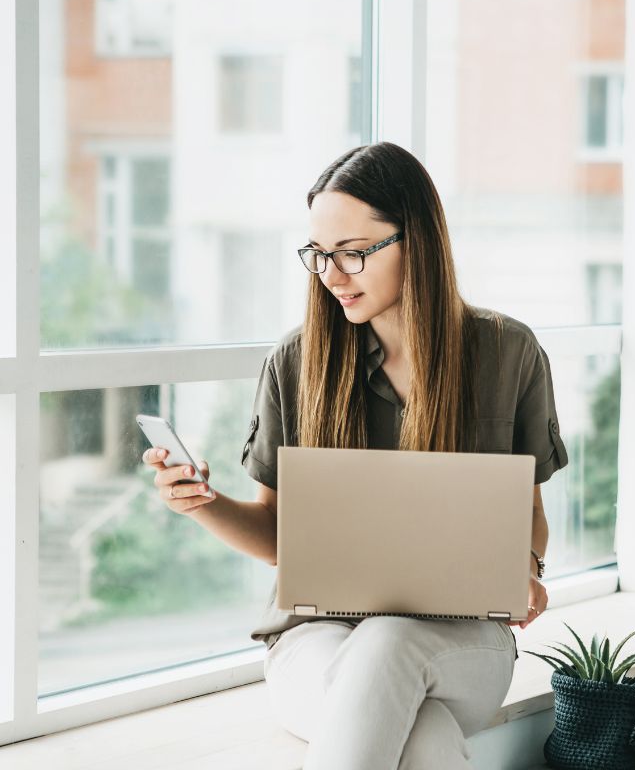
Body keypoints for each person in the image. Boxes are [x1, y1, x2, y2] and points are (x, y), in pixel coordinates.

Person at [143, 141, 569, 768]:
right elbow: (282, 534)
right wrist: (202, 504)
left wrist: (526, 566)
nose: (332, 275)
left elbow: (526, 508)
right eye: (318, 255)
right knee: (421, 735)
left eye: (352, 253)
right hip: (316, 638)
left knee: (389, 640)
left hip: (461, 640)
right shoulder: (297, 361)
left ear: (416, 241)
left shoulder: (507, 352)